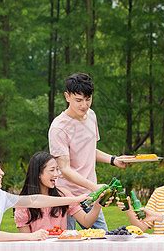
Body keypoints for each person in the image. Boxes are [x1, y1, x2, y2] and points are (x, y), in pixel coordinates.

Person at [48, 72, 127, 230]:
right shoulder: (59, 128)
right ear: (67, 96)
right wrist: (94, 186)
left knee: (102, 240)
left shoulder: (91, 116)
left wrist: (113, 159)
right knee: (68, 241)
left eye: (88, 99)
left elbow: (89, 150)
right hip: (66, 195)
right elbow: (64, 168)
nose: (84, 105)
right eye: (78, 100)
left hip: (91, 193)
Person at [14, 151, 104, 232]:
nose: (56, 174)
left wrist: (97, 204)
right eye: (52, 170)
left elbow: (86, 221)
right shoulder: (23, 203)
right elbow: (27, 240)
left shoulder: (63, 194)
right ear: (38, 174)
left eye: (57, 169)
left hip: (61, 248)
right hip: (38, 249)